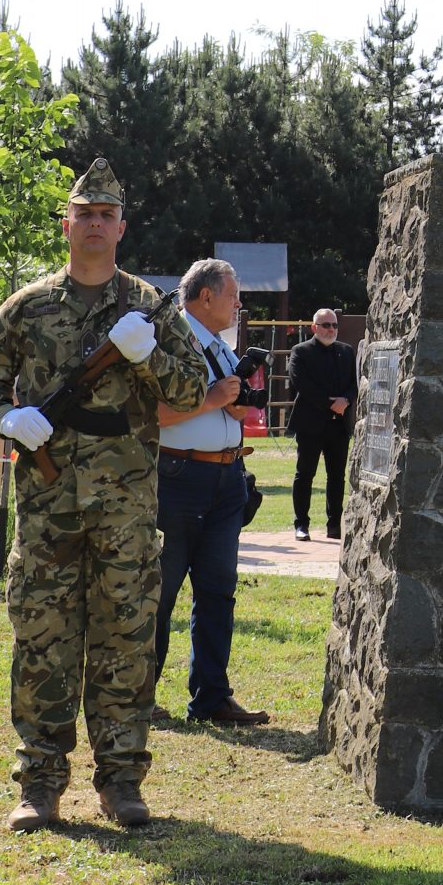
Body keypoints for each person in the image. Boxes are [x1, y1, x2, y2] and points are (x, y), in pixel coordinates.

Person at [0, 158, 209, 832]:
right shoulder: (27, 307)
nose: (95, 224)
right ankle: (38, 786)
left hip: (127, 513)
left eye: (107, 215)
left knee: (125, 644)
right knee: (42, 644)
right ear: (66, 224)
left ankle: (121, 782)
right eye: (85, 214)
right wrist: (7, 420)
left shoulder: (151, 308)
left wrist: (147, 355)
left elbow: (192, 390)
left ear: (121, 227)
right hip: (47, 512)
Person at [152, 258, 268, 727]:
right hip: (178, 478)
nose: (238, 303)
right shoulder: (168, 341)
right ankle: (136, 698)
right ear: (205, 297)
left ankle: (212, 699)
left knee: (218, 592)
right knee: (158, 594)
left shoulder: (219, 345)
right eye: (232, 294)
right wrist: (213, 399)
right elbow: (151, 413)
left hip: (225, 481)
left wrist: (236, 406)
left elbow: (228, 410)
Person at [288, 307, 358, 542]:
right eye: (326, 325)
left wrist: (346, 400)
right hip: (310, 423)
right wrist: (331, 404)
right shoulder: (301, 351)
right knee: (304, 474)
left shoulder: (346, 352)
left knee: (337, 476)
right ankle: (301, 525)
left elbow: (354, 383)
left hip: (338, 425)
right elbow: (302, 384)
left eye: (334, 325)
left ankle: (334, 526)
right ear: (314, 327)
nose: (331, 329)